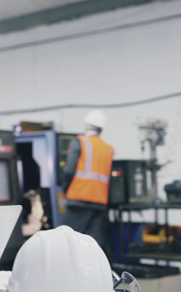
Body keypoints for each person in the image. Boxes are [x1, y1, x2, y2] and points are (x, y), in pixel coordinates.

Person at [62, 110, 113, 258]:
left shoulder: (80, 141)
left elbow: (69, 170)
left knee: (66, 241)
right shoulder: (108, 148)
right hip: (99, 202)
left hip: (79, 198)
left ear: (86, 125)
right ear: (101, 129)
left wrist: (66, 190)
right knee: (94, 245)